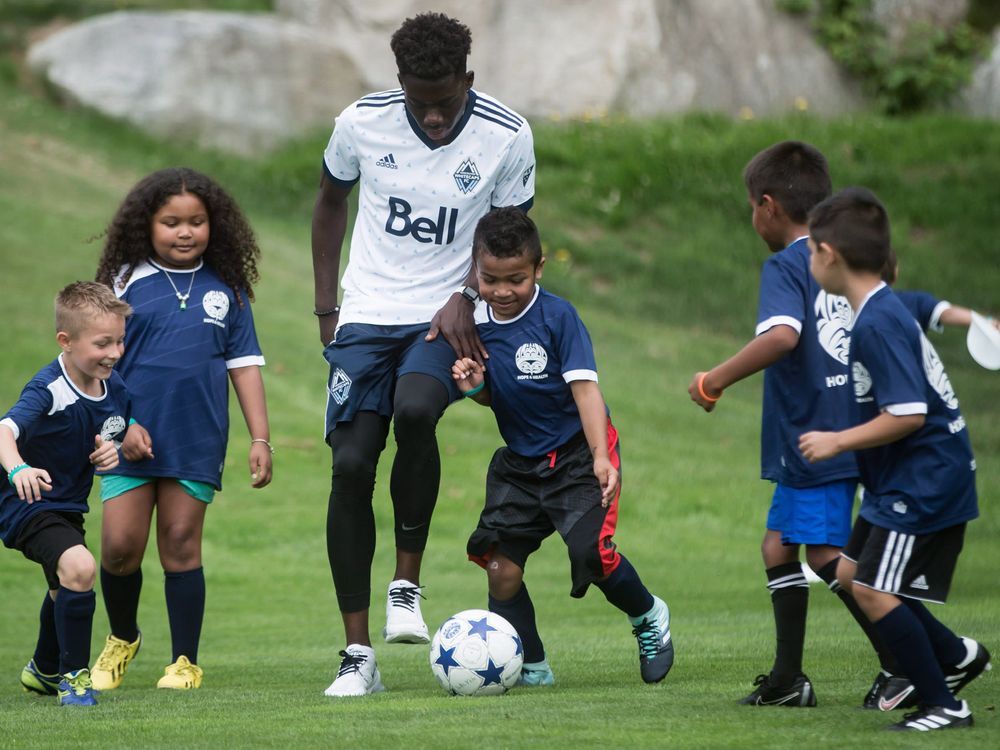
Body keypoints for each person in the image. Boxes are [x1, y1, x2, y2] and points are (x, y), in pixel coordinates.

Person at [311, 12, 535, 697]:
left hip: (445, 317)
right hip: (367, 312)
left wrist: (468, 293)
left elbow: (511, 236)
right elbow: (328, 208)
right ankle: (358, 657)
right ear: (400, 84)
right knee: (350, 465)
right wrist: (329, 313)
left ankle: (405, 586)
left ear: (468, 79)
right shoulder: (361, 123)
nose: (434, 118)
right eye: (420, 102)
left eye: (446, 102)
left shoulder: (507, 134)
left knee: (415, 410)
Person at [687, 141, 905, 708]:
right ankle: (788, 681)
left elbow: (783, 336)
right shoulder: (848, 260)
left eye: (751, 207)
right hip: (849, 423)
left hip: (818, 434)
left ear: (767, 206)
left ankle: (905, 663)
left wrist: (714, 380)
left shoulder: (790, 263)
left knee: (827, 557)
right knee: (779, 548)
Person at [451, 207, 673, 686]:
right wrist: (475, 389)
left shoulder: (558, 318)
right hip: (520, 465)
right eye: (490, 279)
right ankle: (531, 666)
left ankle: (649, 616)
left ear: (539, 269)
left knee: (595, 556)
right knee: (499, 567)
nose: (503, 291)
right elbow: (499, 396)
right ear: (475, 269)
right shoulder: (474, 324)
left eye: (516, 279)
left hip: (576, 455)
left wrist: (598, 456)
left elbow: (586, 390)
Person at [800, 186, 990, 732]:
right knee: (856, 571)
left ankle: (944, 703)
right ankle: (955, 657)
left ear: (829, 255)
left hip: (923, 479)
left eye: (812, 250)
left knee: (873, 590)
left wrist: (837, 442)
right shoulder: (884, 307)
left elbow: (907, 413)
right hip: (903, 478)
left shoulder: (879, 323)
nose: (810, 260)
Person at [91, 167, 272, 691]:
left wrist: (260, 438)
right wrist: (120, 426)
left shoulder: (230, 290)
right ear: (147, 225)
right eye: (171, 222)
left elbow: (245, 365)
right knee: (120, 547)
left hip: (196, 435)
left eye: (196, 221)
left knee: (180, 540)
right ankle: (122, 638)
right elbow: (96, 364)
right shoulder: (122, 283)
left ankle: (184, 661)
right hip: (126, 434)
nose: (185, 231)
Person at [2, 282, 133, 706]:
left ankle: (44, 669)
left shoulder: (118, 392)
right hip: (27, 501)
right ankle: (75, 682)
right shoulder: (48, 388)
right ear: (66, 341)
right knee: (79, 566)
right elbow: (4, 431)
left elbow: (107, 437)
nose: (114, 352)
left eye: (119, 340)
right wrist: (19, 467)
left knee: (65, 588)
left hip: (67, 507)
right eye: (102, 343)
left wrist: (107, 454)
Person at [882, 247, 1000, 337]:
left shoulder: (866, 313)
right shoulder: (915, 301)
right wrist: (987, 322)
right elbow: (948, 313)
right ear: (896, 272)